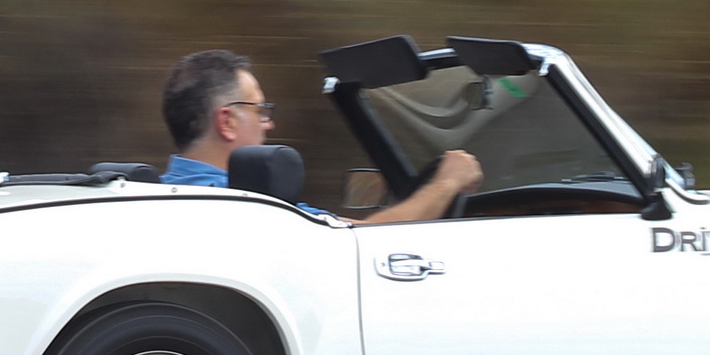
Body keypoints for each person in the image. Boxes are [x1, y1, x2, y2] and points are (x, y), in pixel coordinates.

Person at [159, 49, 474, 223]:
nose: (269, 124)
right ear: (226, 122)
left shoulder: (158, 195)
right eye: (260, 110)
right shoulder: (242, 208)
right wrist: (447, 183)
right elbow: (364, 242)